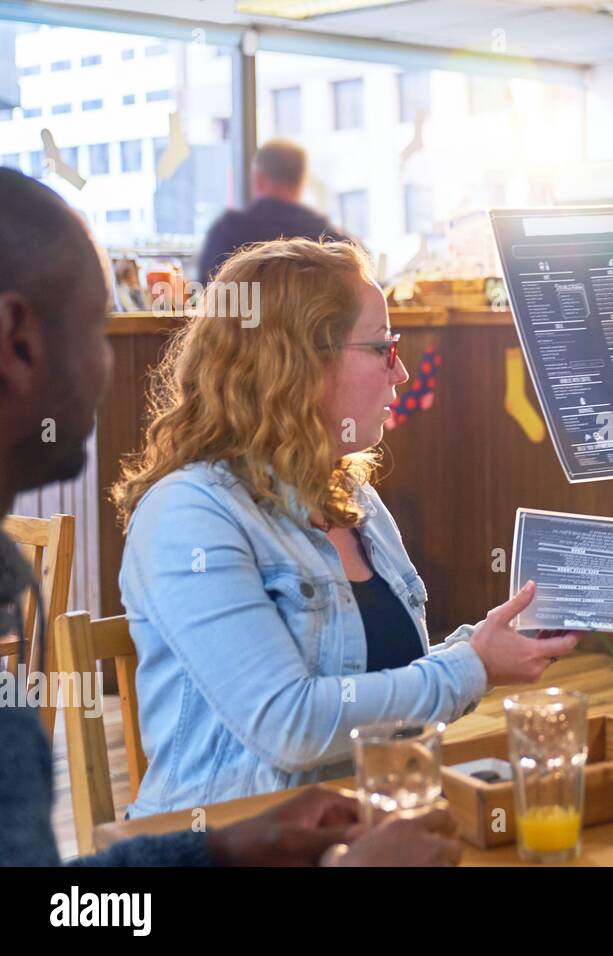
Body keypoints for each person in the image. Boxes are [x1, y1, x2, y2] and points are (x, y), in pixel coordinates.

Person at [0, 167, 456, 866]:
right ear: (17, 340)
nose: (108, 367)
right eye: (97, 330)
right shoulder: (189, 511)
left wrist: (231, 851)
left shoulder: (353, 496)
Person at [111, 237, 579, 816]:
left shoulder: (354, 500)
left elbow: (387, 680)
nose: (401, 372)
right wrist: (474, 666)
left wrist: (488, 642)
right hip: (232, 845)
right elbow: (292, 724)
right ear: (299, 362)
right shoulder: (190, 514)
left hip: (365, 826)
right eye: (383, 348)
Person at [197, 139, 353, 282]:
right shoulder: (333, 241)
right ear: (302, 182)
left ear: (258, 179)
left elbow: (208, 298)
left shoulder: (228, 233)